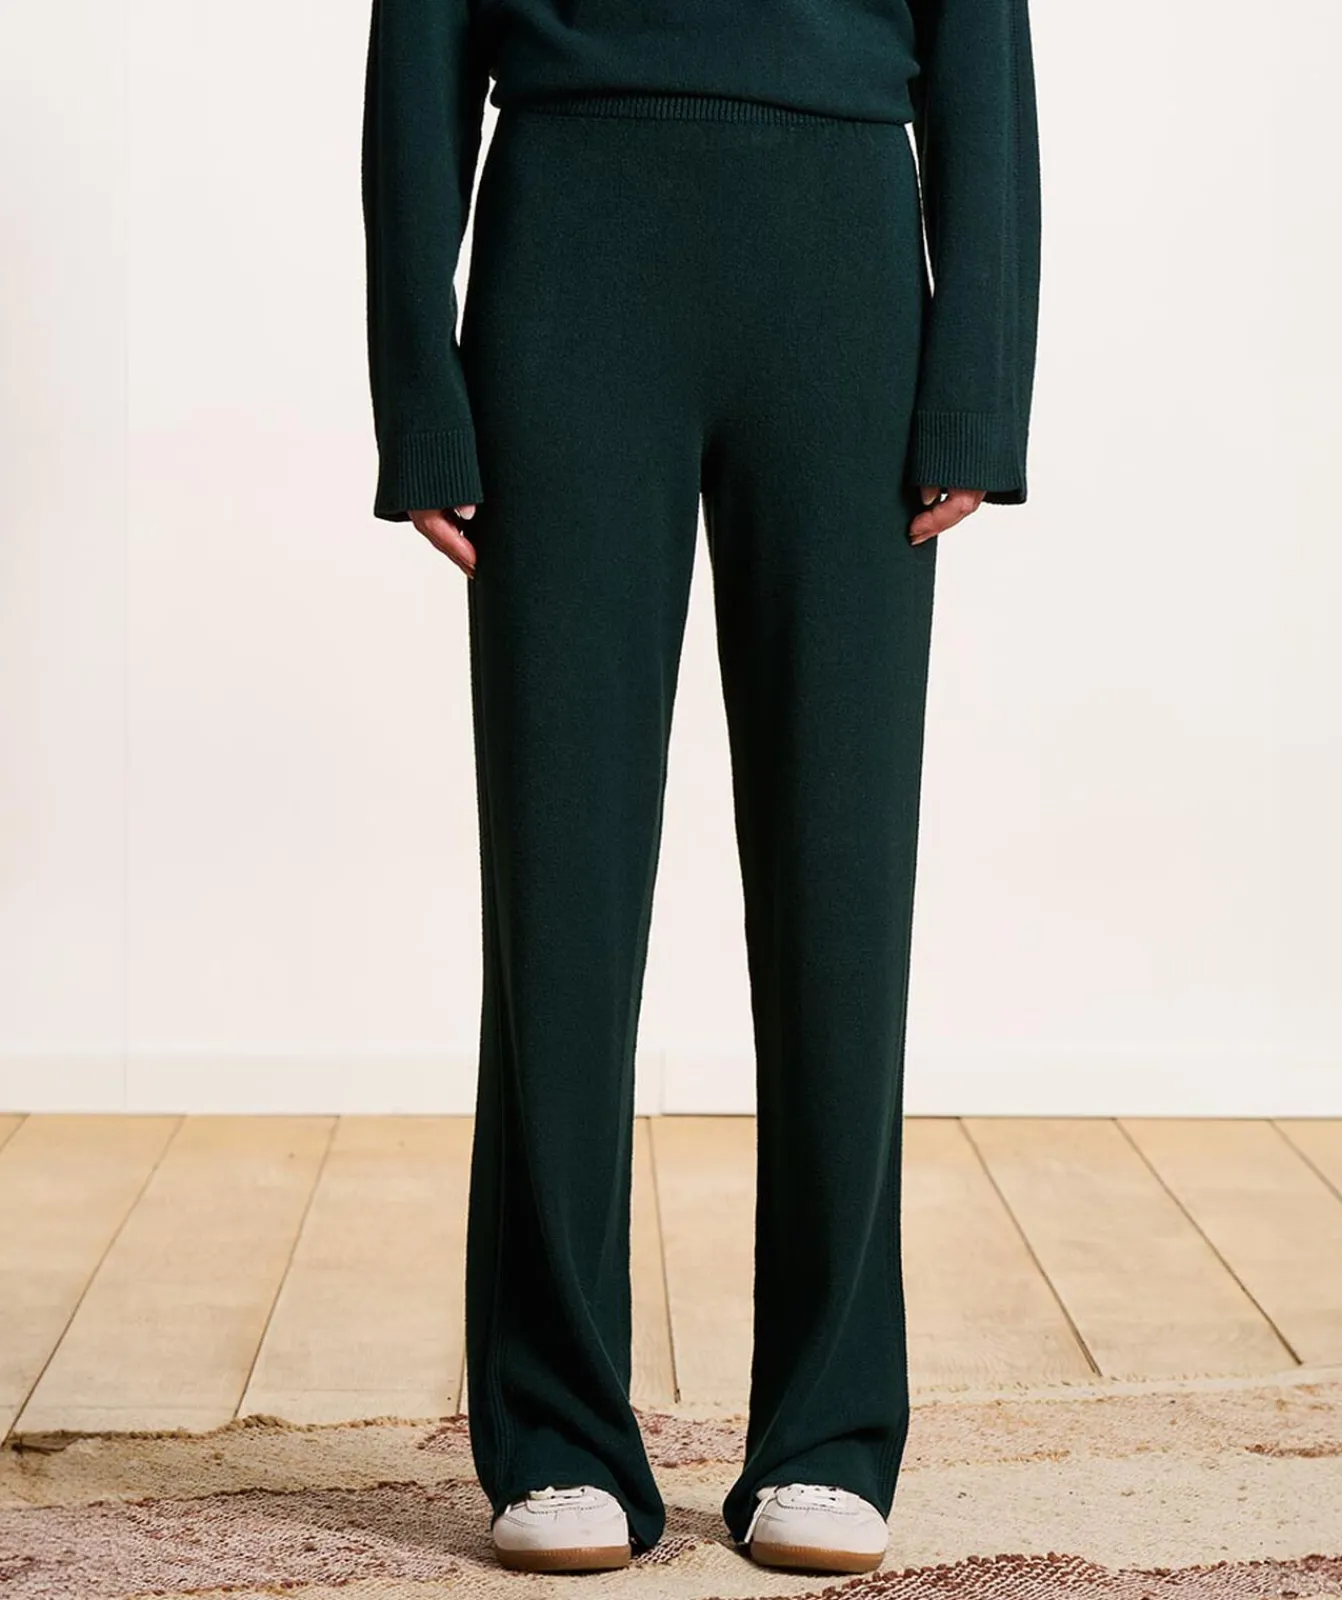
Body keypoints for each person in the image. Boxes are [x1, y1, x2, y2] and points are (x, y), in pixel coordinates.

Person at [360, 0, 1040, 1576]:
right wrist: (418, 386)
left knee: (842, 884)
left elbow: (982, 41)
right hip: (569, 259)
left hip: (844, 274)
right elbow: (420, 43)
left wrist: (976, 384)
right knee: (562, 891)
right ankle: (556, 1432)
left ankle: (829, 1432)